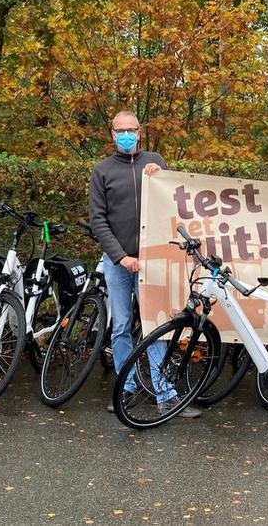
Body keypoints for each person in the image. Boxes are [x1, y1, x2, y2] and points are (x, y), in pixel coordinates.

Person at [88, 110, 200, 418]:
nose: (125, 134)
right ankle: (128, 388)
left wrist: (161, 173)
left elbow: (172, 201)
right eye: (119, 130)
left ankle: (165, 393)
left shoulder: (156, 161)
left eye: (131, 129)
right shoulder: (102, 171)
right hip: (118, 263)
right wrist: (121, 257)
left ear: (140, 132)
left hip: (151, 262)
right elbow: (98, 220)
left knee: (154, 326)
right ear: (112, 135)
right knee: (121, 326)